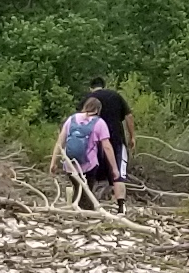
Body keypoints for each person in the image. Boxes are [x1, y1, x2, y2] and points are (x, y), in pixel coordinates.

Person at [55, 92, 119, 211]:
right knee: (86, 191)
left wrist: (53, 162)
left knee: (78, 189)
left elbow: (60, 142)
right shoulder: (99, 123)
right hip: (89, 164)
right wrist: (114, 168)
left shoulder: (71, 119)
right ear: (98, 109)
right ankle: (85, 214)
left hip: (70, 164)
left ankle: (76, 210)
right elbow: (107, 147)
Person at [87, 80, 135, 209]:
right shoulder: (115, 95)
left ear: (91, 88)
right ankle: (120, 206)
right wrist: (132, 137)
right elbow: (129, 116)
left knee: (90, 172)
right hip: (116, 139)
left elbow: (80, 117)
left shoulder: (89, 98)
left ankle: (87, 204)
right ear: (104, 86)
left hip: (93, 141)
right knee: (118, 173)